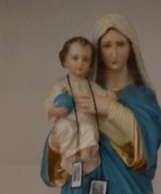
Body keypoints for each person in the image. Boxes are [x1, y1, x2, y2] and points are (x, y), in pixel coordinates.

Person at [41, 14, 161, 194]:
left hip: (126, 191)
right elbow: (54, 166)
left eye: (120, 44)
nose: (114, 52)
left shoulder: (142, 97)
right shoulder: (80, 90)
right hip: (84, 185)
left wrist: (111, 110)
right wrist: (55, 142)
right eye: (106, 45)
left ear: (131, 48)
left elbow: (146, 150)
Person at [45, 36, 114, 177]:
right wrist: (52, 110)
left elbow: (102, 95)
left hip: (85, 120)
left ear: (90, 65)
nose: (80, 63)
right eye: (75, 58)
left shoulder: (91, 86)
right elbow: (49, 104)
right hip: (67, 119)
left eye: (85, 59)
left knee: (89, 129)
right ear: (65, 61)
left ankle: (86, 153)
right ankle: (71, 156)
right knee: (64, 128)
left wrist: (108, 96)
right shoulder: (60, 85)